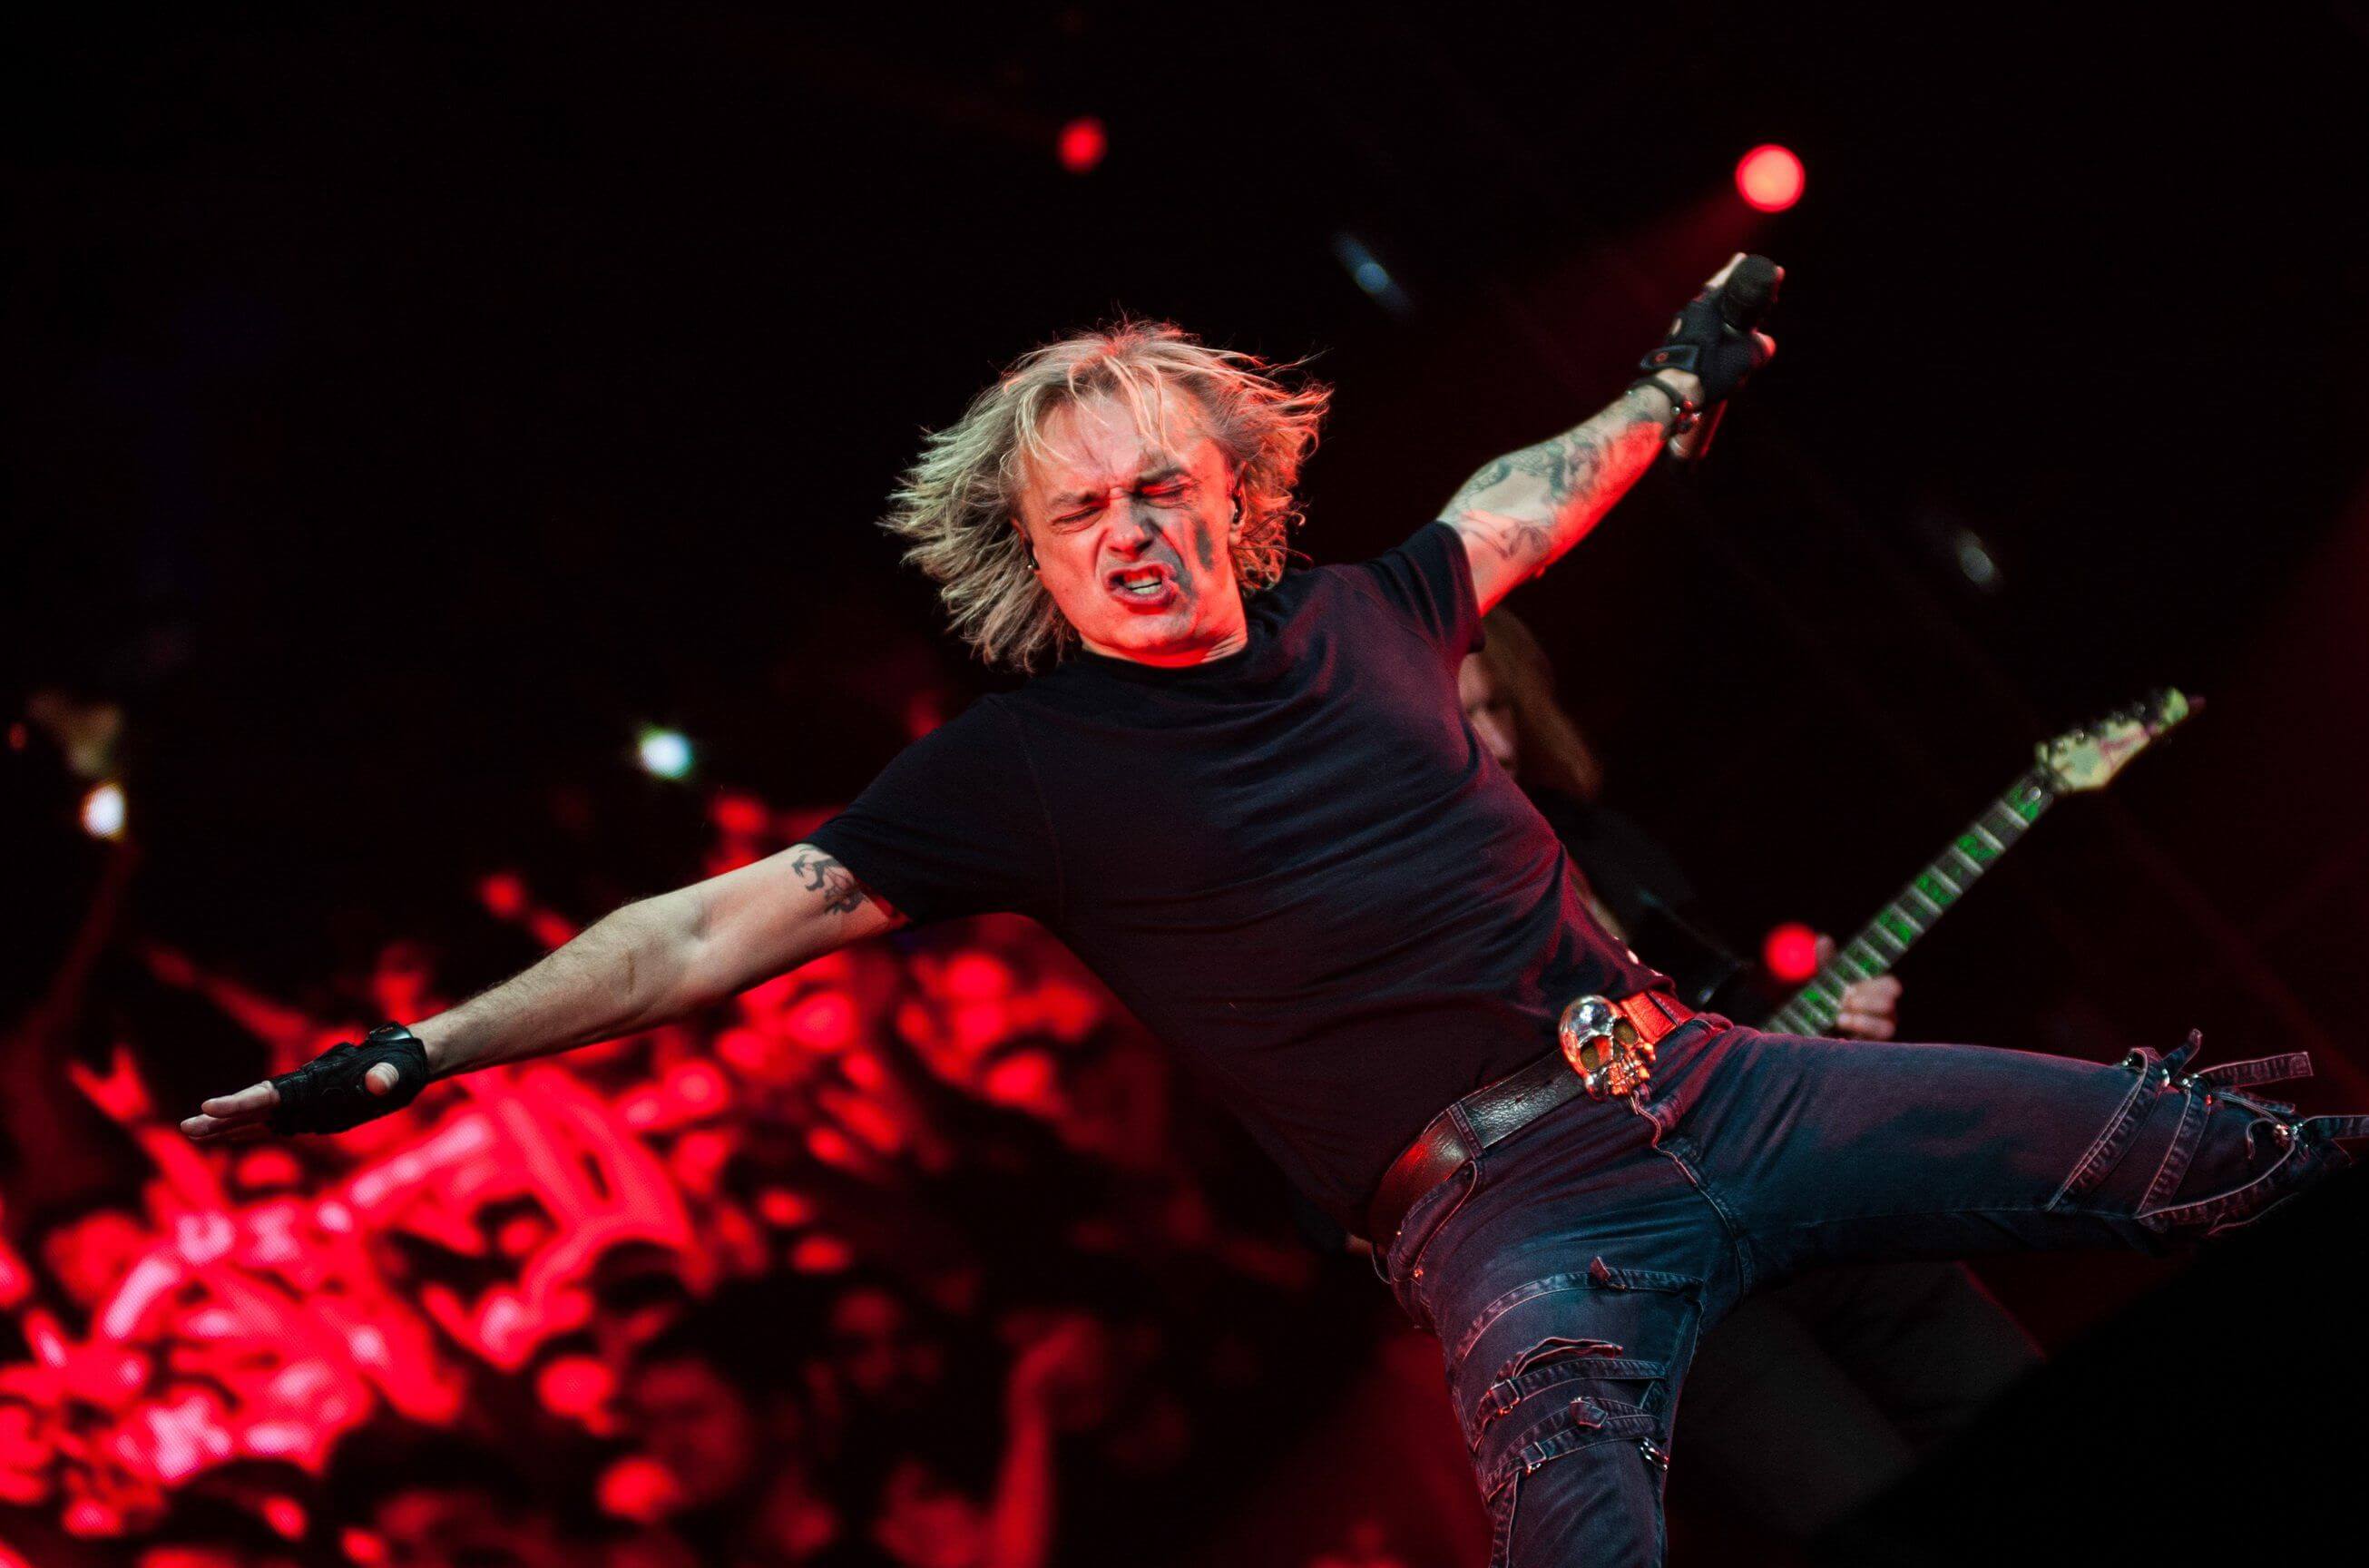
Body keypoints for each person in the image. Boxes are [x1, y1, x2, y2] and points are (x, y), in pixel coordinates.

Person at [185, 259, 2366, 1566]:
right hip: (1530, 1224)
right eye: (1079, 516)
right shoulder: (1017, 773)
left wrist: (1675, 390)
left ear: (1233, 491)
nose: (1128, 534)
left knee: (2187, 1172)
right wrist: (426, 1049)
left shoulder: (1370, 612)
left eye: (1160, 487)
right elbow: (693, 934)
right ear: (1029, 557)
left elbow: (1527, 491)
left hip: (1718, 1079)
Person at [1461, 610, 2041, 1544]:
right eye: (1462, 722)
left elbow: (1729, 1003)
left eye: (1497, 708)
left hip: (1812, 1195)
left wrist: (1828, 1020)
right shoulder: (1402, 940)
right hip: (1682, 1294)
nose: (1496, 743)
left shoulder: (1597, 840)